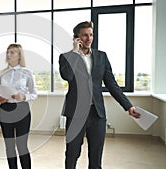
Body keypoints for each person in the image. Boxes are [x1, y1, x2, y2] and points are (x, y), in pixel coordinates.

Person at [58, 21, 141, 169]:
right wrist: (75, 53)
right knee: (72, 153)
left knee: (96, 157)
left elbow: (112, 85)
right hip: (76, 113)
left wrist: (128, 106)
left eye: (91, 34)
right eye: (84, 35)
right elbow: (68, 76)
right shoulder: (66, 57)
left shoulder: (101, 56)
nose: (88, 38)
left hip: (97, 114)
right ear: (77, 38)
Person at [0, 44, 37, 169]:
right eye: (8, 52)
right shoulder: (2, 73)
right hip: (5, 109)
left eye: (12, 52)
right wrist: (0, 97)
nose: (8, 55)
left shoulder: (27, 72)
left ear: (19, 55)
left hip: (22, 109)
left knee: (22, 145)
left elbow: (34, 93)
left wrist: (24, 97)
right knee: (9, 145)